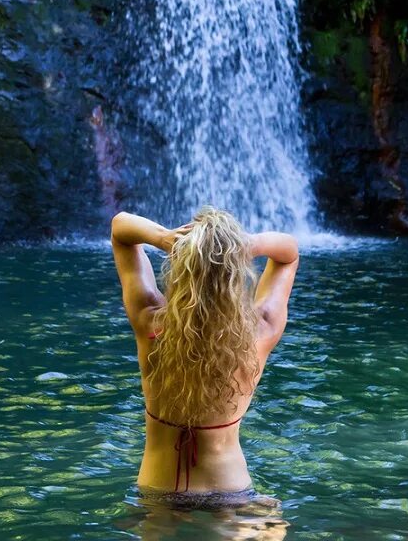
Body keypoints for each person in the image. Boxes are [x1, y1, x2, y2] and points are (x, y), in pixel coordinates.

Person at [111, 206, 299, 510]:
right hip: (232, 492)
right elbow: (288, 253)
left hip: (158, 489)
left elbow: (120, 229)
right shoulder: (259, 332)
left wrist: (164, 238)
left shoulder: (150, 323)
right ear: (236, 274)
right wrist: (245, 244)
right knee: (271, 519)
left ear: (180, 266)